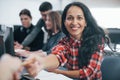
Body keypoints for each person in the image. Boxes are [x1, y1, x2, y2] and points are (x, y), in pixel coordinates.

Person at [23, 2, 105, 80]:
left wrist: (60, 72)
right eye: (69, 18)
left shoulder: (96, 40)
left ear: (86, 22)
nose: (74, 22)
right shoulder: (65, 41)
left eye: (79, 18)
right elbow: (57, 55)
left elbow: (88, 73)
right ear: (64, 22)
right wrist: (41, 63)